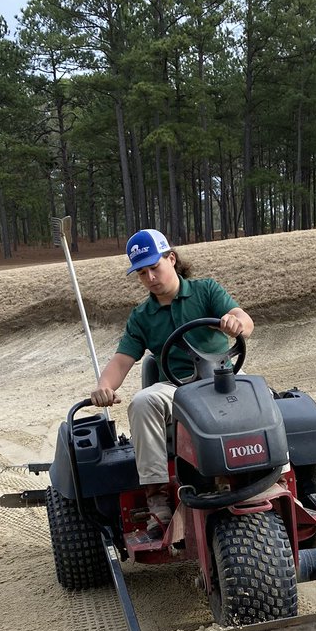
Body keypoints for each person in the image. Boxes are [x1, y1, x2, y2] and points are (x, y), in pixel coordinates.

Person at [91, 229, 254, 538]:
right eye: (142, 272)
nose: (150, 277)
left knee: (264, 397)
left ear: (171, 258)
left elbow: (244, 319)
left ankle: (277, 478)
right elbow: (122, 360)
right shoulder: (141, 316)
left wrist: (237, 324)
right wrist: (105, 387)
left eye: (155, 267)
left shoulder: (205, 291)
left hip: (222, 378)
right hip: (176, 387)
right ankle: (158, 498)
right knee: (143, 402)